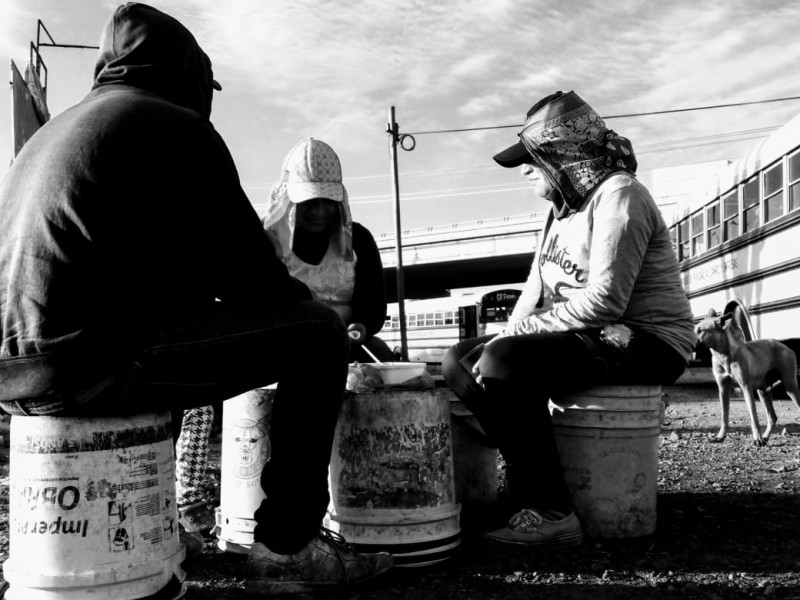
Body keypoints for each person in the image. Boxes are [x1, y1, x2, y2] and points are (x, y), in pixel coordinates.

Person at [0, 3, 393, 596]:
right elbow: (254, 281)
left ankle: (163, 524)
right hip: (88, 367)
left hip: (14, 375)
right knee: (315, 334)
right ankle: (288, 544)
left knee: (178, 334)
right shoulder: (175, 128)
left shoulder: (63, 130)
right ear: (185, 72)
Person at [442, 91, 695, 549]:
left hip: (649, 338)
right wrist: (504, 336)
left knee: (504, 362)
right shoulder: (560, 208)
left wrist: (510, 343)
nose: (525, 170)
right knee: (457, 360)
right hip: (593, 334)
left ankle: (551, 510)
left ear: (563, 156)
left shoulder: (620, 195)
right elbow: (535, 291)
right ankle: (527, 485)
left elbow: (604, 303)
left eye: (533, 159)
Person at [262, 137, 394, 364]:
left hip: (347, 342)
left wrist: (361, 326)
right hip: (283, 346)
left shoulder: (359, 239)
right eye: (309, 202)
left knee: (382, 358)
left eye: (327, 202)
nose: (319, 211)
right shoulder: (267, 240)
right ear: (290, 200)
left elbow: (373, 306)